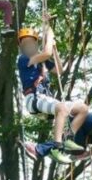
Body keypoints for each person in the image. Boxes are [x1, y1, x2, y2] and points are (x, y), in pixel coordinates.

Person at [16, 20, 83, 164]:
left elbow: (59, 70)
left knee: (82, 109)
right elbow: (46, 53)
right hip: (33, 99)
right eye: (25, 43)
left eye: (31, 42)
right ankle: (57, 148)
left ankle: (66, 140)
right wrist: (50, 34)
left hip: (44, 99)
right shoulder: (24, 58)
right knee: (62, 108)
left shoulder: (41, 61)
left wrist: (54, 49)